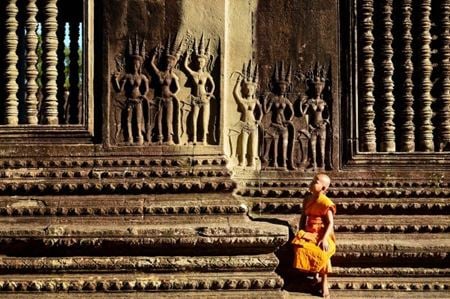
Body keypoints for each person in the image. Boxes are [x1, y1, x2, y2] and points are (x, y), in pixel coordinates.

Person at [292, 173, 335, 298]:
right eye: (312, 181)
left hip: (322, 234)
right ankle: (315, 274)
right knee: (300, 248)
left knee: (322, 252)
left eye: (315, 182)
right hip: (309, 232)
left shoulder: (326, 202)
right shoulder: (307, 199)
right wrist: (301, 231)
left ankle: (324, 282)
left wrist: (324, 238)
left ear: (323, 188)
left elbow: (330, 223)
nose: (311, 183)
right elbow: (303, 217)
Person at [183, 34, 215, 145]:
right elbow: (185, 66)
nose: (200, 63)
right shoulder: (194, 73)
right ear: (196, 62)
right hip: (195, 99)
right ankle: (195, 138)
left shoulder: (206, 74)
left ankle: (205, 139)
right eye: (199, 61)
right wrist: (187, 56)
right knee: (194, 118)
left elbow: (212, 85)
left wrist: (210, 94)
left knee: (204, 119)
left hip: (204, 98)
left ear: (205, 63)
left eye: (202, 61)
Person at [230, 61, 262, 167]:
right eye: (247, 88)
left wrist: (259, 120)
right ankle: (242, 160)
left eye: (251, 89)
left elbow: (260, 112)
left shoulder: (255, 101)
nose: (249, 90)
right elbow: (235, 93)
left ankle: (252, 161)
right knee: (243, 143)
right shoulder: (243, 101)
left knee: (253, 144)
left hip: (253, 124)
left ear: (254, 90)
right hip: (244, 124)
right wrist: (238, 82)